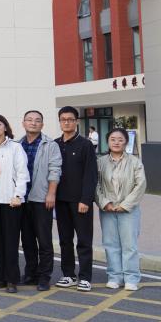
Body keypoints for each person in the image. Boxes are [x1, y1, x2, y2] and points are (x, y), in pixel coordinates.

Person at [54, 106, 98, 292]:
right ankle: (68, 275)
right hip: (60, 201)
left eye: (70, 119)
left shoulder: (85, 145)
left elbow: (91, 175)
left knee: (84, 241)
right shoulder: (55, 144)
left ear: (76, 121)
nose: (67, 122)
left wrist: (85, 200)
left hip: (80, 202)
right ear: (59, 122)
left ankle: (85, 277)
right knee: (65, 240)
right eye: (63, 119)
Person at [0, 114, 30, 294]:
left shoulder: (15, 147)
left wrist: (18, 195)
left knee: (10, 241)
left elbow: (22, 173)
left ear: (5, 127)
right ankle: (1, 278)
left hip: (10, 200)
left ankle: (12, 279)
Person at [17, 110, 62, 291]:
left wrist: (51, 194)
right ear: (23, 123)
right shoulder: (17, 145)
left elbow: (55, 170)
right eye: (29, 120)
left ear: (42, 125)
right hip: (22, 199)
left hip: (41, 199)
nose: (33, 123)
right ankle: (31, 274)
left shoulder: (50, 145)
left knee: (44, 240)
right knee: (27, 240)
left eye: (37, 120)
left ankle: (44, 277)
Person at [97, 128, 147, 291]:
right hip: (108, 209)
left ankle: (131, 278)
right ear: (107, 142)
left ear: (126, 142)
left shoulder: (135, 162)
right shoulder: (100, 162)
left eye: (120, 139)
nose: (116, 142)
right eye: (113, 139)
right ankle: (114, 277)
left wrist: (125, 205)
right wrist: (105, 203)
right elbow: (95, 185)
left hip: (128, 210)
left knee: (129, 244)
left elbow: (140, 185)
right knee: (110, 244)